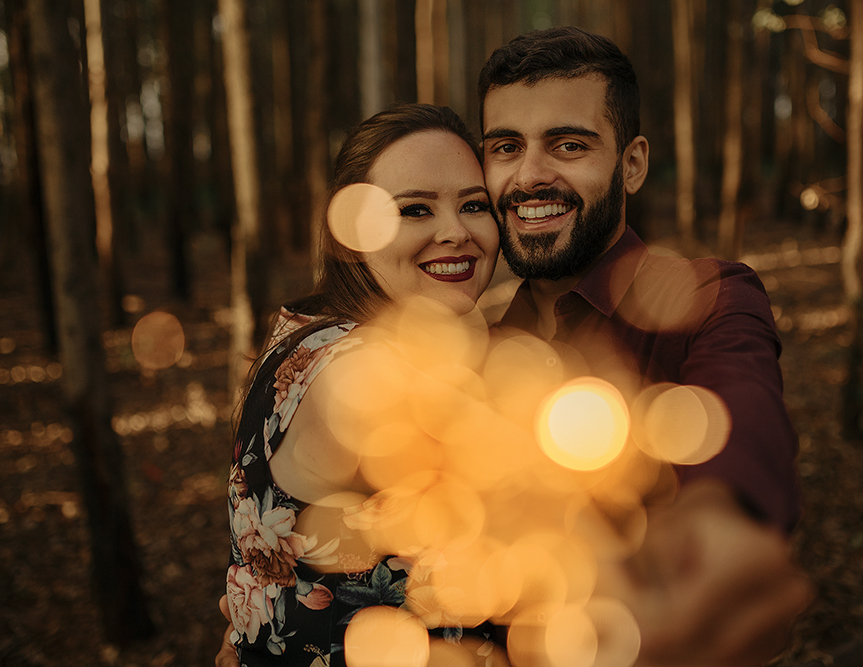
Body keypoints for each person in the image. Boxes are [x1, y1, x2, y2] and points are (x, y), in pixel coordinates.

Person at [477, 25, 811, 666]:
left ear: (632, 164)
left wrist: (718, 514)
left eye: (568, 144)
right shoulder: (475, 350)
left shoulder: (710, 296)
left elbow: (742, 399)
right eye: (506, 147)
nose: (530, 175)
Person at [222, 103, 501, 666]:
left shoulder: (304, 333)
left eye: (474, 205)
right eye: (415, 210)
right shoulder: (365, 367)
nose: (456, 231)